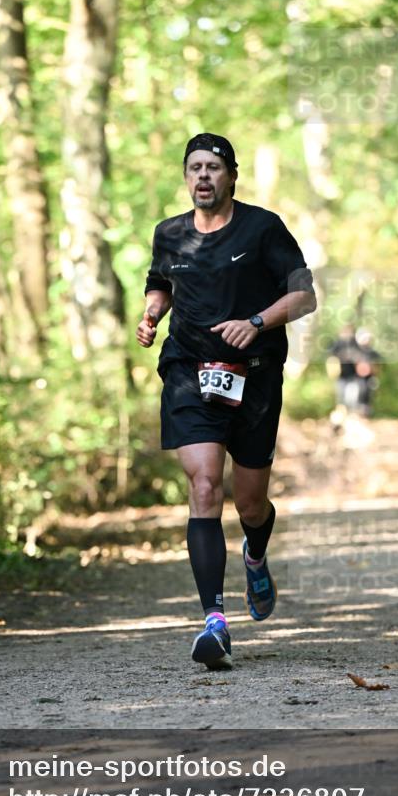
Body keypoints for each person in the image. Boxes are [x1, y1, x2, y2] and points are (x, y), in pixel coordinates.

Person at [136, 133, 316, 670]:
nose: (203, 176)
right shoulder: (169, 234)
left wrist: (257, 322)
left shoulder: (263, 228)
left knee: (251, 504)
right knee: (204, 485)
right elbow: (160, 284)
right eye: (194, 167)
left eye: (213, 167)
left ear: (232, 175)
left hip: (255, 377)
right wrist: (152, 315)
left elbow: (304, 296)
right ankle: (214, 621)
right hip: (189, 372)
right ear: (185, 176)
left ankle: (255, 553)